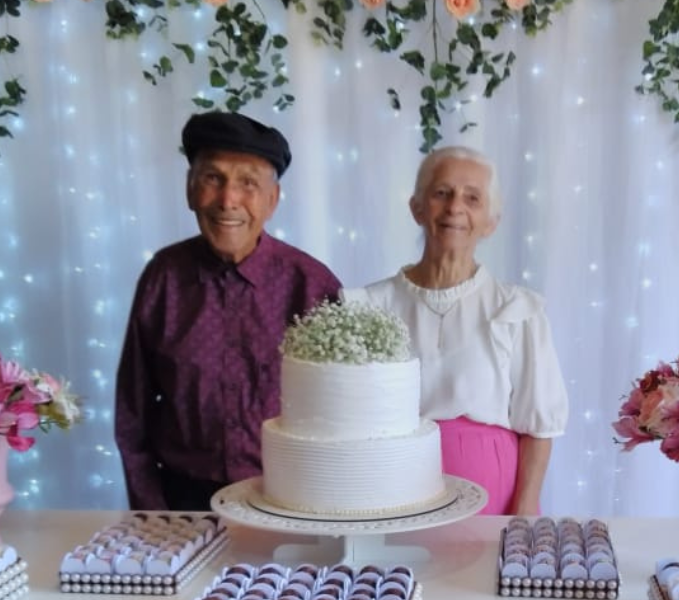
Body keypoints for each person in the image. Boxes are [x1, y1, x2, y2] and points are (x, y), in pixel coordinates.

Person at [115, 111, 341, 511]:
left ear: (272, 201)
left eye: (248, 184)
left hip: (292, 500)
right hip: (182, 502)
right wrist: (152, 513)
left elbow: (343, 413)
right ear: (189, 190)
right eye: (213, 178)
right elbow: (133, 412)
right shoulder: (163, 278)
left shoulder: (312, 285)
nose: (228, 200)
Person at [343, 146, 568, 515]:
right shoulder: (368, 306)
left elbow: (539, 426)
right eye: (441, 193)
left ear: (491, 221)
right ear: (417, 207)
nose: (454, 208)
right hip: (392, 489)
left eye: (472, 198)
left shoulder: (516, 309)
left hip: (493, 493)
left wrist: (525, 508)